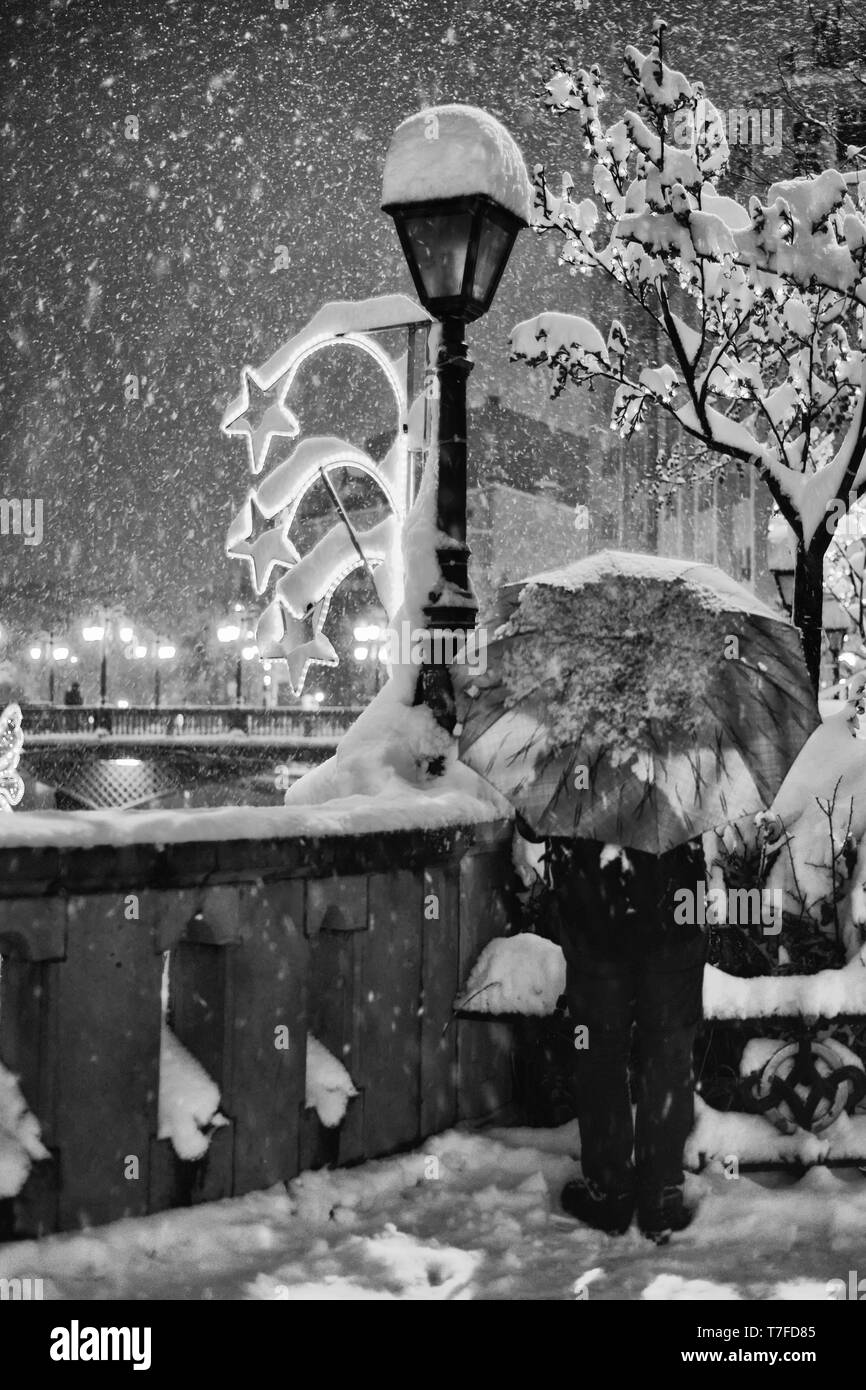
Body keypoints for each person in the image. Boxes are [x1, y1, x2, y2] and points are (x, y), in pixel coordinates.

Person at [541, 829, 707, 1244]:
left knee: (597, 1054)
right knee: (668, 1055)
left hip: (595, 913)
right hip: (673, 911)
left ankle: (610, 1192)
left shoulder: (574, 763)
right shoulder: (684, 761)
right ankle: (661, 1196)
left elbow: (534, 815)